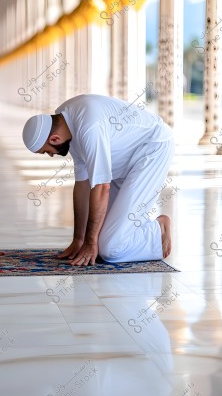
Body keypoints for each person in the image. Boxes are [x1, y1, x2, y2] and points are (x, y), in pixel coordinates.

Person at [22, 94, 175, 267]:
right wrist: (79, 240)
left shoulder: (88, 127)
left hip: (152, 150)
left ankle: (157, 230)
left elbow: (102, 187)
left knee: (110, 249)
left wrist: (90, 243)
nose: (51, 154)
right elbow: (83, 183)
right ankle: (136, 227)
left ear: (54, 139)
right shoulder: (65, 121)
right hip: (122, 162)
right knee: (101, 237)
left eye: (46, 151)